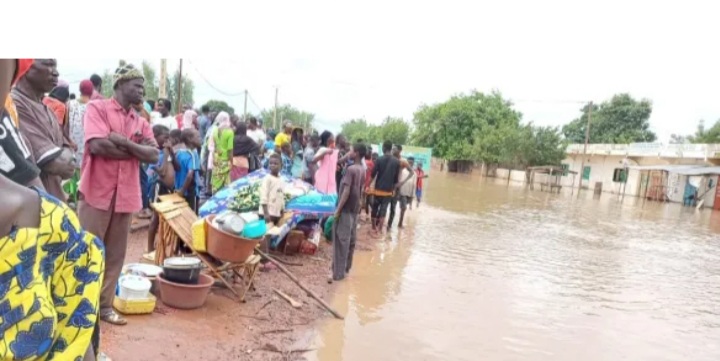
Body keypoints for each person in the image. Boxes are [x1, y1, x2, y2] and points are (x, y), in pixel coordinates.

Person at [77, 61, 159, 328]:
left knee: (115, 255)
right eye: (137, 86)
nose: (141, 92)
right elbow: (98, 145)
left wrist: (123, 142)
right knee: (88, 251)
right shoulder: (97, 108)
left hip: (125, 196)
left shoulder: (140, 120)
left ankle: (104, 306)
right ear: (122, 85)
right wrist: (137, 150)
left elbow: (155, 155)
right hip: (96, 192)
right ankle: (80, 305)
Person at [13, 58, 75, 200]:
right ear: (26, 67)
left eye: (55, 66)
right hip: (31, 204)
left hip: (53, 199)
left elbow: (68, 153)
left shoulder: (47, 109)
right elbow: (56, 163)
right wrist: (64, 156)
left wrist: (65, 155)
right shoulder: (15, 104)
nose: (56, 73)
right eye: (48, 65)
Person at [330, 142, 366, 283]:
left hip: (345, 210)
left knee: (341, 241)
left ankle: (339, 274)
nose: (349, 152)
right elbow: (361, 190)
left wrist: (337, 211)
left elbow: (345, 192)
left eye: (351, 150)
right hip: (354, 210)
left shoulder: (351, 170)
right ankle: (346, 269)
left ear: (355, 153)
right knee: (350, 241)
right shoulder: (362, 169)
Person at [370, 141, 400, 235]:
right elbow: (396, 179)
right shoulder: (396, 162)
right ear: (390, 148)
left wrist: (366, 186)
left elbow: (373, 175)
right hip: (388, 192)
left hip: (378, 190)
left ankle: (373, 228)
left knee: (374, 209)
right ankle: (379, 230)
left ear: (384, 148)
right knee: (384, 210)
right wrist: (394, 190)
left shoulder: (379, 159)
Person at [386, 145, 415, 230]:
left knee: (393, 207)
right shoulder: (389, 158)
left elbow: (412, 172)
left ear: (400, 150)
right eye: (392, 148)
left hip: (396, 187)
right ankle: (380, 225)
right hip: (387, 185)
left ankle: (389, 226)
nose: (392, 150)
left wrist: (402, 182)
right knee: (384, 205)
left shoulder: (402, 161)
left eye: (394, 149)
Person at [175, 128, 202, 212]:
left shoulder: (178, 152)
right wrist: (183, 191)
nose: (200, 139)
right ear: (190, 139)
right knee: (192, 216)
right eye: (198, 137)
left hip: (177, 189)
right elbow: (190, 174)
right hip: (189, 192)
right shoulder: (192, 154)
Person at [68, 80, 94, 165]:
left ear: (80, 90)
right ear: (91, 91)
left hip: (71, 148)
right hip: (86, 149)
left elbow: (64, 127)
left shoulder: (69, 104)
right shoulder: (93, 107)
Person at [210, 111, 233, 193]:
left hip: (216, 161)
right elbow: (230, 150)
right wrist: (231, 162)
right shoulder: (230, 132)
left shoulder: (215, 130)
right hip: (225, 161)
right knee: (225, 186)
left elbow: (212, 145)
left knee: (216, 182)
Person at [259, 153, 285, 225]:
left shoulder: (281, 180)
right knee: (266, 232)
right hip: (267, 213)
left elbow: (281, 195)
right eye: (271, 163)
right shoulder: (267, 179)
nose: (272, 165)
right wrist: (266, 213)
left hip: (276, 213)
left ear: (281, 166)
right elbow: (263, 196)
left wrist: (282, 209)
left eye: (276, 163)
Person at [396, 157, 417, 228]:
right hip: (402, 192)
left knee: (403, 208)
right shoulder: (402, 170)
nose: (410, 163)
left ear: (413, 163)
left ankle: (399, 222)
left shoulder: (414, 173)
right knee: (404, 208)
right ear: (407, 162)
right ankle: (400, 223)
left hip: (409, 193)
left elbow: (414, 185)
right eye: (409, 162)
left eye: (412, 162)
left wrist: (412, 196)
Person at [362, 147, 375, 222]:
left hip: (365, 184)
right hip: (368, 185)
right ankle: (369, 215)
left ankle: (367, 216)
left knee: (365, 202)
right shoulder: (371, 163)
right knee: (368, 202)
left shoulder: (364, 162)